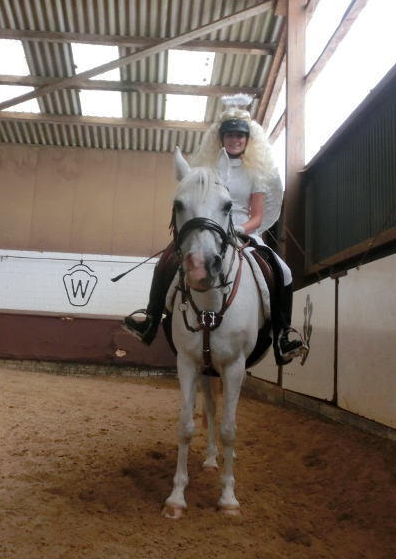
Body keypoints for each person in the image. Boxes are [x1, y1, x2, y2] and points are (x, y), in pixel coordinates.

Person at [123, 94, 308, 365]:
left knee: (284, 270)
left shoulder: (255, 172)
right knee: (166, 259)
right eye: (230, 134)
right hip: (210, 230)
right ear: (221, 138)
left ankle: (283, 334)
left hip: (244, 233)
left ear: (247, 139)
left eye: (240, 135)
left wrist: (239, 229)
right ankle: (151, 319)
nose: (235, 139)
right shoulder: (207, 171)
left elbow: (257, 216)